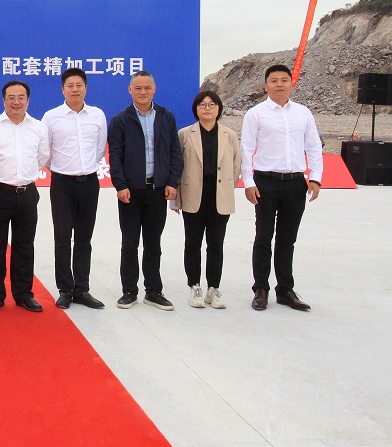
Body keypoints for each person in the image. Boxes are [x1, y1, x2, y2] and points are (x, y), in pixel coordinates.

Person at [241, 64, 322, 311]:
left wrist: (315, 178)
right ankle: (261, 289)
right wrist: (248, 182)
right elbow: (246, 150)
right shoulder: (255, 114)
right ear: (265, 86)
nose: (279, 84)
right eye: (274, 80)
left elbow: (313, 146)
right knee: (263, 237)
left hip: (296, 183)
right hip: (265, 182)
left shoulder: (303, 113)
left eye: (284, 80)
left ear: (291, 84)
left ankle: (285, 290)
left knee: (287, 239)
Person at [108, 70, 183, 311]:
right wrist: (120, 185)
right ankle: (129, 291)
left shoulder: (166, 117)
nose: (143, 92)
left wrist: (172, 182)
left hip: (158, 190)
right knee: (129, 243)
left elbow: (175, 152)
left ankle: (154, 291)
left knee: (153, 244)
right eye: (138, 88)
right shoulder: (121, 120)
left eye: (147, 88)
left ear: (154, 89)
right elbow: (115, 156)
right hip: (130, 192)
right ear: (130, 90)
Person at [42, 67, 108, 310]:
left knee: (84, 238)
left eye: (79, 85)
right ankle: (65, 289)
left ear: (86, 88)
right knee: (62, 237)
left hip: (89, 183)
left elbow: (100, 148)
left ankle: (82, 289)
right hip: (62, 184)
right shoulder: (51, 117)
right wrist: (60, 168)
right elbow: (44, 150)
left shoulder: (97, 115)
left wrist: (85, 167)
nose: (75, 90)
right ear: (63, 89)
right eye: (70, 86)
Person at [0, 80, 49, 312]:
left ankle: (23, 294)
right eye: (11, 97)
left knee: (24, 245)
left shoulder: (38, 127)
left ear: (28, 101)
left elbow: (42, 157)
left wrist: (25, 176)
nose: (16, 102)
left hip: (27, 193)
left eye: (21, 97)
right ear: (4, 101)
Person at [172, 91, 241, 309]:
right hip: (193, 195)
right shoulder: (185, 134)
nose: (207, 108)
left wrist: (228, 187)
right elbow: (178, 165)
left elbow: (236, 165)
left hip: (219, 196)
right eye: (202, 104)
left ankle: (214, 288)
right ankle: (194, 286)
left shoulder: (229, 135)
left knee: (216, 244)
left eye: (212, 104)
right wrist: (176, 198)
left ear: (219, 108)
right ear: (196, 109)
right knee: (193, 243)